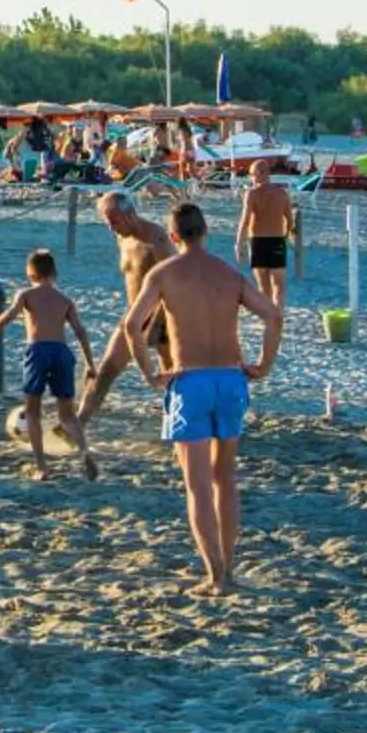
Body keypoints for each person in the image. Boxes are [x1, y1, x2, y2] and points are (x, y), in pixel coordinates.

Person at [104, 203, 280, 595]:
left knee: (198, 485)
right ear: (205, 231)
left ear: (174, 235)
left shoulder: (164, 273)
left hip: (191, 380)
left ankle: (215, 576)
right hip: (231, 380)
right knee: (225, 478)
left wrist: (150, 371)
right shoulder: (227, 273)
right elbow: (273, 315)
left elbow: (132, 325)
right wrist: (264, 364)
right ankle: (229, 568)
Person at [0, 248, 98, 481]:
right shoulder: (65, 300)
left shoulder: (26, 295)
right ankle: (85, 452)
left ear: (31, 274)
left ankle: (42, 466)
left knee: (32, 412)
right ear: (55, 273)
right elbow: (80, 331)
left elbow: (7, 316)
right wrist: (90, 363)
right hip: (61, 352)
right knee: (68, 415)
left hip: (38, 351)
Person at [87, 188, 174, 423]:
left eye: (113, 221)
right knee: (106, 369)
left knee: (172, 376)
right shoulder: (122, 236)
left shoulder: (157, 239)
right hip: (134, 314)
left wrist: (157, 322)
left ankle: (176, 421)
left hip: (164, 317)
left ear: (130, 215)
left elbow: (173, 286)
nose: (110, 227)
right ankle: (79, 421)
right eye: (107, 221)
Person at [235, 159, 297, 328]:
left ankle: (268, 317)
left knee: (263, 284)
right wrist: (287, 235)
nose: (252, 179)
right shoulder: (282, 194)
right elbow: (290, 220)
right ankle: (278, 314)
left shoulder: (252, 194)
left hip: (258, 242)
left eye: (252, 175)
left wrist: (239, 243)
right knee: (279, 284)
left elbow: (245, 220)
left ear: (260, 174)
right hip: (277, 241)